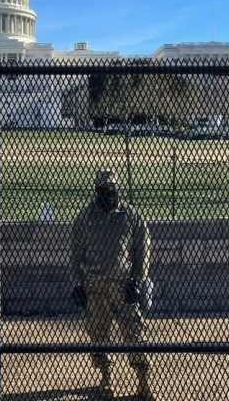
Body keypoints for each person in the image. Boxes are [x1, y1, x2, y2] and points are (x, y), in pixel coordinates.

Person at [70, 169, 155, 400]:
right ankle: (106, 377)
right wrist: (77, 284)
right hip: (95, 287)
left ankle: (143, 383)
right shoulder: (86, 217)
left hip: (123, 285)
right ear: (96, 190)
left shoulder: (130, 215)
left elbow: (143, 249)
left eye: (111, 187)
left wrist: (138, 280)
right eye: (103, 188)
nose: (108, 192)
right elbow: (75, 254)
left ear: (117, 187)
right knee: (97, 334)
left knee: (135, 333)